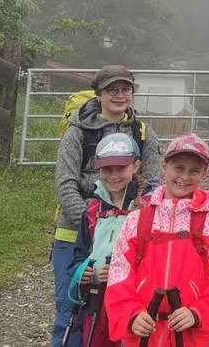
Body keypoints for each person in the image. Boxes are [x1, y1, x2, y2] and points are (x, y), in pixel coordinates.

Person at [52, 65, 161, 347]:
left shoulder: (144, 133)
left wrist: (128, 226)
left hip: (128, 235)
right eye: (111, 89)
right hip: (74, 232)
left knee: (124, 309)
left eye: (125, 89)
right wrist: (94, 221)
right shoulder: (77, 131)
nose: (119, 95)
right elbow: (65, 184)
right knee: (71, 309)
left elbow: (154, 185)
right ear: (98, 93)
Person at [104, 134, 209, 347]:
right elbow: (118, 277)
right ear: (164, 166)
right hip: (143, 335)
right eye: (178, 167)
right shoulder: (138, 220)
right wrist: (132, 315)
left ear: (204, 173)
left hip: (191, 336)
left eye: (194, 171)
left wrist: (197, 313)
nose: (185, 176)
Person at [64, 133, 147, 347]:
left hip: (136, 304)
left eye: (121, 168)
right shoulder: (92, 210)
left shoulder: (147, 208)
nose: (113, 175)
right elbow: (78, 257)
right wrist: (83, 273)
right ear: (98, 169)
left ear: (135, 166)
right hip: (96, 302)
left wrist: (122, 273)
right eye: (107, 169)